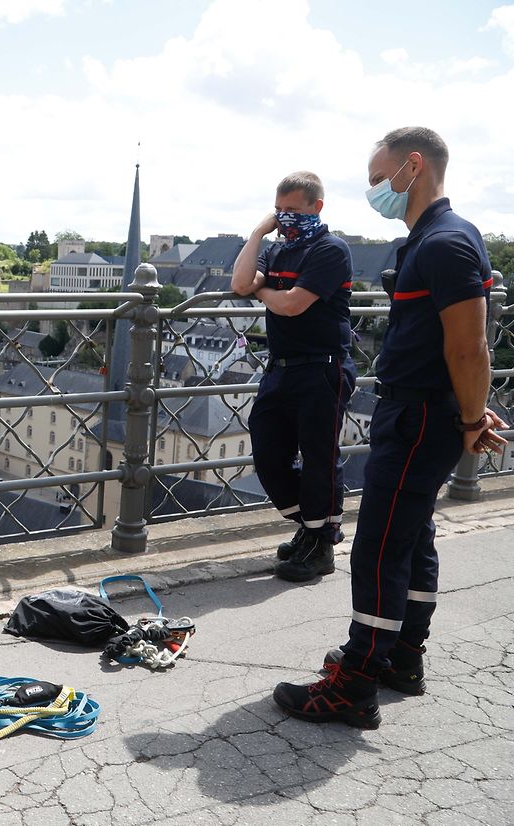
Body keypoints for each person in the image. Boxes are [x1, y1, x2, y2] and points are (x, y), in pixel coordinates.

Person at [274, 127, 507, 728]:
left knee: (378, 547)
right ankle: (402, 656)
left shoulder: (443, 244)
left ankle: (354, 682)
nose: (375, 189)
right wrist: (469, 412)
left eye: (379, 178)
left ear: (413, 166)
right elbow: (460, 346)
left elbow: (469, 348)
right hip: (425, 410)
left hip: (418, 413)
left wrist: (472, 415)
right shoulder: (442, 238)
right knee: (412, 536)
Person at [232, 172, 356, 582]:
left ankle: (319, 545)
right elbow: (239, 283)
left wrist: (264, 294)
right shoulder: (279, 250)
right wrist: (256, 233)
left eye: (293, 210)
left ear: (316, 207)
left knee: (320, 456)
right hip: (281, 367)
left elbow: (290, 305)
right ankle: (315, 526)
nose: (284, 218)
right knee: (268, 452)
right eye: (279, 210)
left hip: (323, 366)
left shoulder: (330, 249)